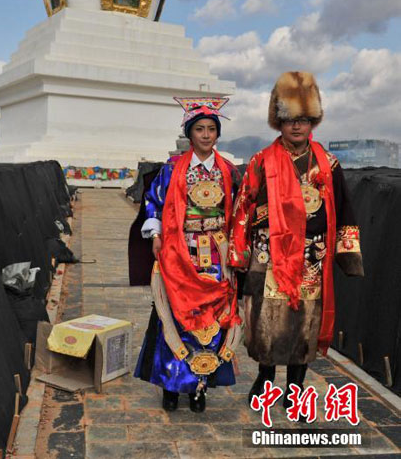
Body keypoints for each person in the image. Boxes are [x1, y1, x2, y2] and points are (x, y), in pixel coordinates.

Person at [228, 71, 364, 408]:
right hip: (268, 254)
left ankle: (295, 387)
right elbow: (243, 206)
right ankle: (264, 377)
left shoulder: (328, 165)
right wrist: (240, 252)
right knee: (265, 320)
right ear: (279, 122)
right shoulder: (261, 162)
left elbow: (344, 211)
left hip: (311, 258)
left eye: (304, 119)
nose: (297, 127)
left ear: (313, 121)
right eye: (289, 120)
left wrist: (347, 256)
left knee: (304, 322)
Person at [134, 97, 242, 412]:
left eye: (211, 129)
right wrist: (156, 234)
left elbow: (240, 210)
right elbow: (153, 202)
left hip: (217, 253)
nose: (206, 135)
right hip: (181, 250)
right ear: (189, 133)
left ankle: (201, 384)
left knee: (212, 318)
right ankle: (171, 383)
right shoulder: (171, 171)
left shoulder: (229, 172)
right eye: (200, 129)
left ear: (217, 134)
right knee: (176, 314)